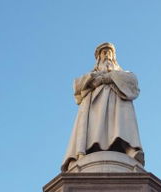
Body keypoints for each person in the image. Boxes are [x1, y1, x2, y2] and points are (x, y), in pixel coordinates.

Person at [62, 42, 144, 171]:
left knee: (120, 123)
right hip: (94, 105)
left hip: (117, 103)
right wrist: (94, 79)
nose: (106, 55)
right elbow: (77, 86)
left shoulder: (123, 74)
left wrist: (108, 77)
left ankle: (129, 148)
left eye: (109, 52)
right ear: (99, 57)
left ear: (113, 56)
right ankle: (87, 149)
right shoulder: (91, 74)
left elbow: (132, 81)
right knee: (95, 125)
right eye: (103, 52)